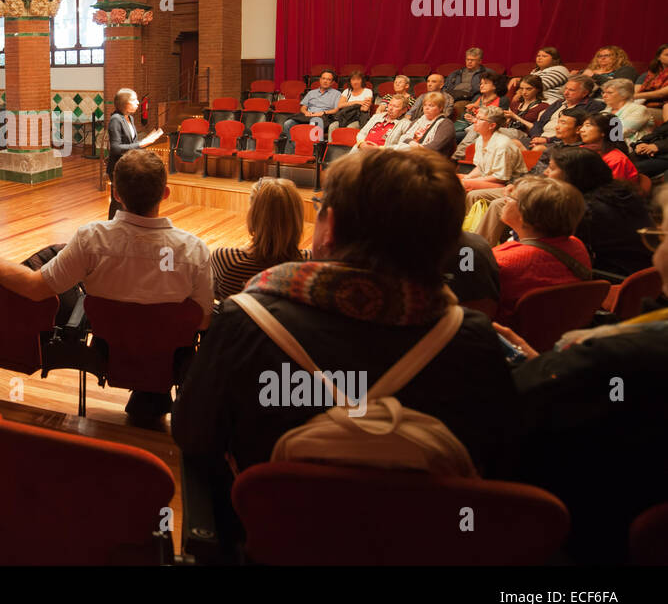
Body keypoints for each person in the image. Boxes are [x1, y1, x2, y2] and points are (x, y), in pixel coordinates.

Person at [171, 150, 517, 531]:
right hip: (421, 543)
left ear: (329, 225)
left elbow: (194, 435)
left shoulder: (247, 321)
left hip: (279, 539)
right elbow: (497, 461)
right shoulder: (473, 340)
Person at [0, 149, 212, 423]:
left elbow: (35, 287)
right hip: (171, 356)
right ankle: (154, 394)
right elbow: (202, 321)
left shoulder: (91, 239)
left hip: (108, 352)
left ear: (116, 193)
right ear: (165, 193)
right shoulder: (194, 250)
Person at [498, 186, 668, 563]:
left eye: (660, 235)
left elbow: (508, 409)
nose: (654, 251)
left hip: (580, 532)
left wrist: (540, 368)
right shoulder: (575, 245)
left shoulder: (612, 356)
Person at [491, 176, 590, 325]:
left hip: (508, 339)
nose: (505, 200)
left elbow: (466, 277)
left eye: (511, 198)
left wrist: (467, 248)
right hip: (558, 331)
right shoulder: (577, 246)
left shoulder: (502, 260)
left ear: (526, 214)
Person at [547, 146, 652, 277]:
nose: (545, 173)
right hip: (645, 270)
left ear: (572, 175)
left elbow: (566, 250)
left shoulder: (586, 209)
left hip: (617, 278)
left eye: (551, 168)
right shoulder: (622, 193)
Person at [210, 177, 309, 300]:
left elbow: (215, 297)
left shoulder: (227, 260)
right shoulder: (310, 265)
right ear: (297, 217)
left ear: (253, 216)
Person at [105, 88, 162, 220]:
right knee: (117, 202)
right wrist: (142, 144)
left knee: (128, 202)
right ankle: (111, 228)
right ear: (124, 103)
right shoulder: (115, 120)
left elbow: (132, 143)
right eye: (134, 100)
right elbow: (115, 148)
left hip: (128, 165)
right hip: (117, 167)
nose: (138, 103)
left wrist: (146, 141)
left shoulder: (129, 117)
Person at [461, 105, 526, 191]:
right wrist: (467, 177)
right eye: (476, 118)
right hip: (490, 180)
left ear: (492, 125)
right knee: (453, 178)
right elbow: (481, 168)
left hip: (509, 185)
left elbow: (500, 177)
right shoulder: (480, 139)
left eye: (480, 119)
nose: (475, 121)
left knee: (463, 184)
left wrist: (470, 180)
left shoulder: (502, 144)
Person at [529, 74, 604, 145]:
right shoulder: (558, 103)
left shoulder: (592, 106)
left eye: (571, 90)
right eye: (566, 89)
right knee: (517, 143)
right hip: (539, 138)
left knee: (537, 149)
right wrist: (535, 137)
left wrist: (547, 140)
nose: (565, 93)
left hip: (561, 143)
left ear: (584, 93)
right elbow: (539, 123)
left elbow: (577, 133)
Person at [452, 73, 504, 157]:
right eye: (481, 83)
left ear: (495, 86)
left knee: (454, 136)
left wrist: (475, 119)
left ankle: (456, 157)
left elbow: (500, 120)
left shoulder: (502, 100)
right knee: (450, 134)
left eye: (485, 83)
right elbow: (464, 116)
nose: (481, 86)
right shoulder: (479, 98)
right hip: (471, 126)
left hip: (486, 128)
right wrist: (469, 114)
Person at [578, 111, 639, 184]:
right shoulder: (581, 150)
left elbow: (612, 189)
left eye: (587, 126)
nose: (581, 130)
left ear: (603, 131)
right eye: (582, 126)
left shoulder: (616, 159)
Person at [280, 71, 341, 138]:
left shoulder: (337, 94)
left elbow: (336, 110)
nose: (325, 81)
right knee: (288, 124)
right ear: (320, 80)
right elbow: (303, 107)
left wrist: (323, 113)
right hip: (308, 116)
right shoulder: (311, 93)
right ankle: (297, 145)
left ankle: (313, 147)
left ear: (332, 82)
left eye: (328, 79)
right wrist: (306, 112)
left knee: (315, 123)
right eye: (323, 78)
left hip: (324, 117)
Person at [394, 90, 456, 155]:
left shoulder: (446, 124)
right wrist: (411, 142)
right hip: (410, 152)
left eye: (431, 106)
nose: (426, 108)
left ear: (440, 108)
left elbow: (435, 147)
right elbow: (403, 138)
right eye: (425, 105)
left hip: (430, 158)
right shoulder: (417, 121)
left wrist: (415, 147)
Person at [602, 78, 655, 145]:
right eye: (603, 92)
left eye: (609, 93)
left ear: (624, 95)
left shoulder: (638, 110)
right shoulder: (604, 112)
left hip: (631, 150)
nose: (604, 96)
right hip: (605, 146)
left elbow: (620, 133)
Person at [501, 74, 546, 140]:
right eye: (521, 89)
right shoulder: (515, 104)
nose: (524, 92)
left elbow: (537, 129)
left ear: (538, 89)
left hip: (526, 136)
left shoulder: (543, 106)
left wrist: (515, 117)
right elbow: (507, 123)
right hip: (510, 131)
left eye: (528, 89)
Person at [633, 43, 668, 111]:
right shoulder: (649, 74)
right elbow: (636, 91)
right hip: (642, 103)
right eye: (667, 55)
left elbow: (661, 94)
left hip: (662, 106)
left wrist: (633, 97)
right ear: (658, 57)